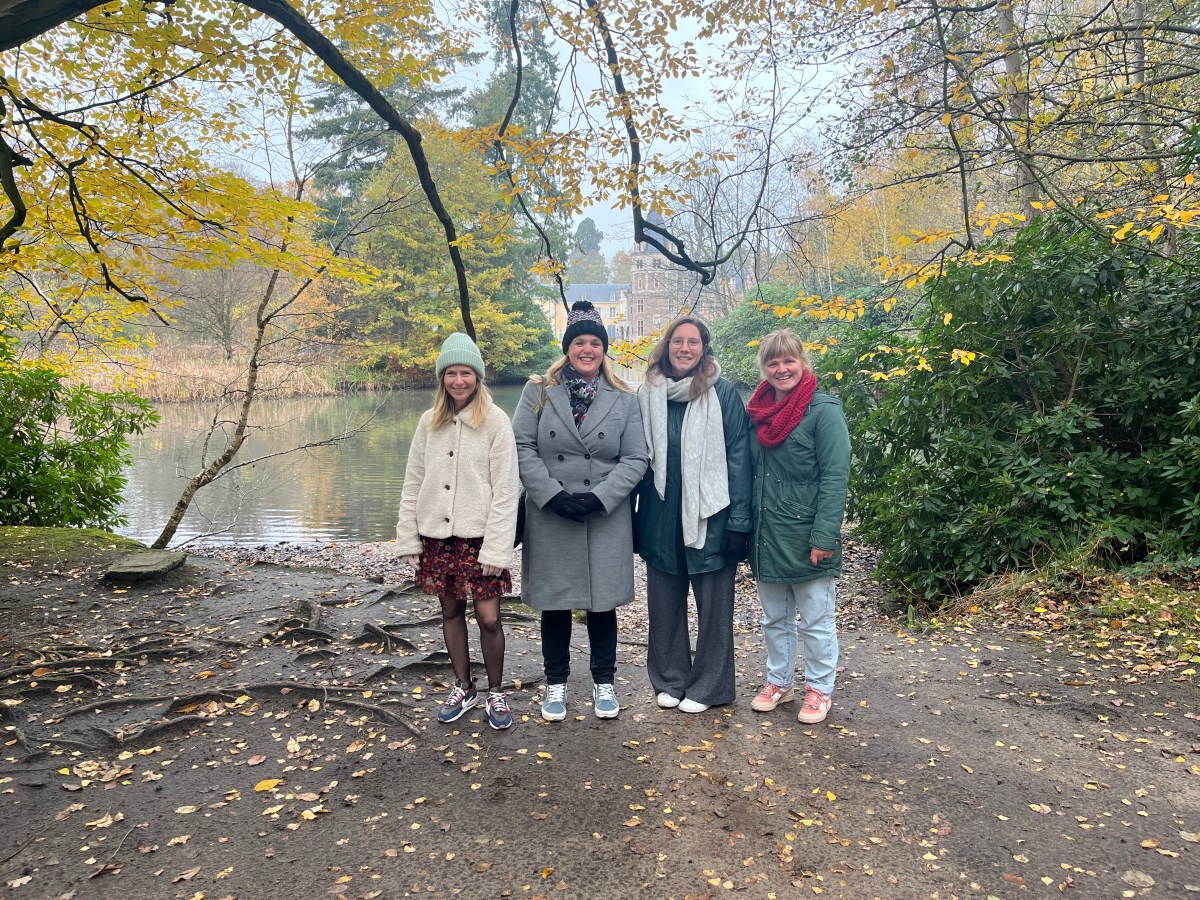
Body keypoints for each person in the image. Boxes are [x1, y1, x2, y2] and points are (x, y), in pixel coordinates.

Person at [513, 300, 648, 722]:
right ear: (567, 347)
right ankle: (555, 685)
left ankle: (603, 683)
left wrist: (600, 497)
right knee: (555, 604)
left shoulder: (625, 397)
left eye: (594, 342)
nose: (587, 350)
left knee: (601, 604)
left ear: (603, 348)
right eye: (579, 342)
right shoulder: (538, 390)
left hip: (604, 516)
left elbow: (636, 458)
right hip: (550, 512)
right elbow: (521, 446)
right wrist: (550, 495)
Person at [395, 333, 521, 731]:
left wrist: (497, 550)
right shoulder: (428, 423)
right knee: (449, 611)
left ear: (478, 377)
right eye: (451, 373)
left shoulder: (496, 422)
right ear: (442, 378)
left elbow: (506, 490)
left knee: (487, 618)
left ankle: (496, 692)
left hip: (479, 539)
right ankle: (463, 687)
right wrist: (408, 537)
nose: (458, 380)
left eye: (466, 372)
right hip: (437, 537)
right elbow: (413, 481)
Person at [634, 316, 753, 713]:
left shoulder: (722, 392)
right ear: (666, 345)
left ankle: (710, 686)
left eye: (694, 342)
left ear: (705, 348)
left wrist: (738, 519)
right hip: (660, 514)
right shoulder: (648, 392)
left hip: (713, 515)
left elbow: (739, 456)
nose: (685, 348)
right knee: (664, 605)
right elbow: (636, 460)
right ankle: (669, 678)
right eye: (678, 341)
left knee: (714, 607)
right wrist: (632, 519)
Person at [746, 328, 850, 725]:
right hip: (768, 533)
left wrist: (825, 535)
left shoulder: (824, 411)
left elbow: (835, 477)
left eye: (788, 359)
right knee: (774, 617)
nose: (781, 368)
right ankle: (779, 681)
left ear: (802, 361)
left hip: (807, 534)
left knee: (817, 619)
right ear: (764, 368)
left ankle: (819, 689)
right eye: (773, 362)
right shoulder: (758, 411)